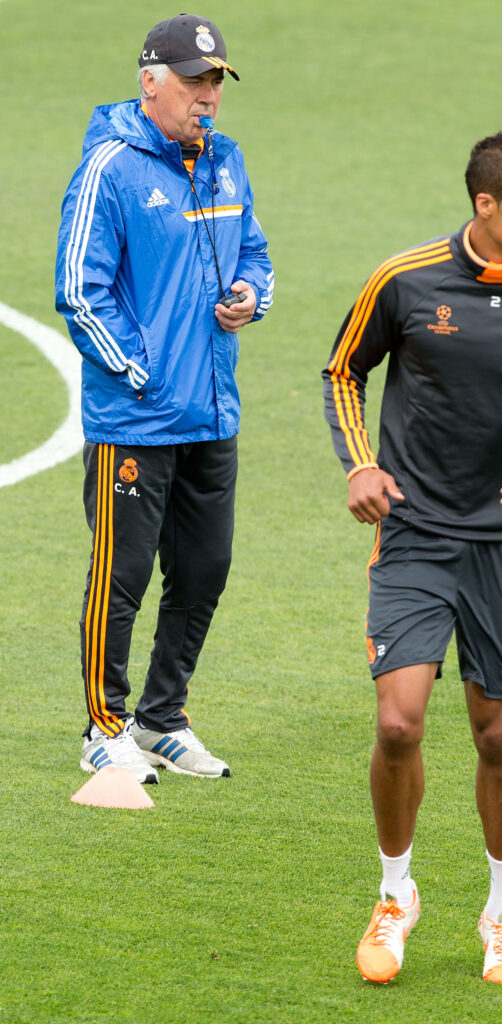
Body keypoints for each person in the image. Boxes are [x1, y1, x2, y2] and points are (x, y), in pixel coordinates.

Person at [322, 132, 502, 984]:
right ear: (484, 205)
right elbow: (346, 372)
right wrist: (362, 464)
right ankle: (393, 894)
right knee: (397, 721)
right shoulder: (405, 280)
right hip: (413, 531)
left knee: (495, 737)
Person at [56, 14, 274, 784]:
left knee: (204, 571)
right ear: (150, 83)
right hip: (136, 418)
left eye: (215, 81)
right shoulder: (109, 169)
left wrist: (252, 293)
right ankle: (103, 724)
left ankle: (161, 718)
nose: (206, 96)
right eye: (192, 81)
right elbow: (80, 295)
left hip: (213, 411)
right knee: (123, 578)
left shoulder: (225, 162)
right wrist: (143, 374)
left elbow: (254, 250)